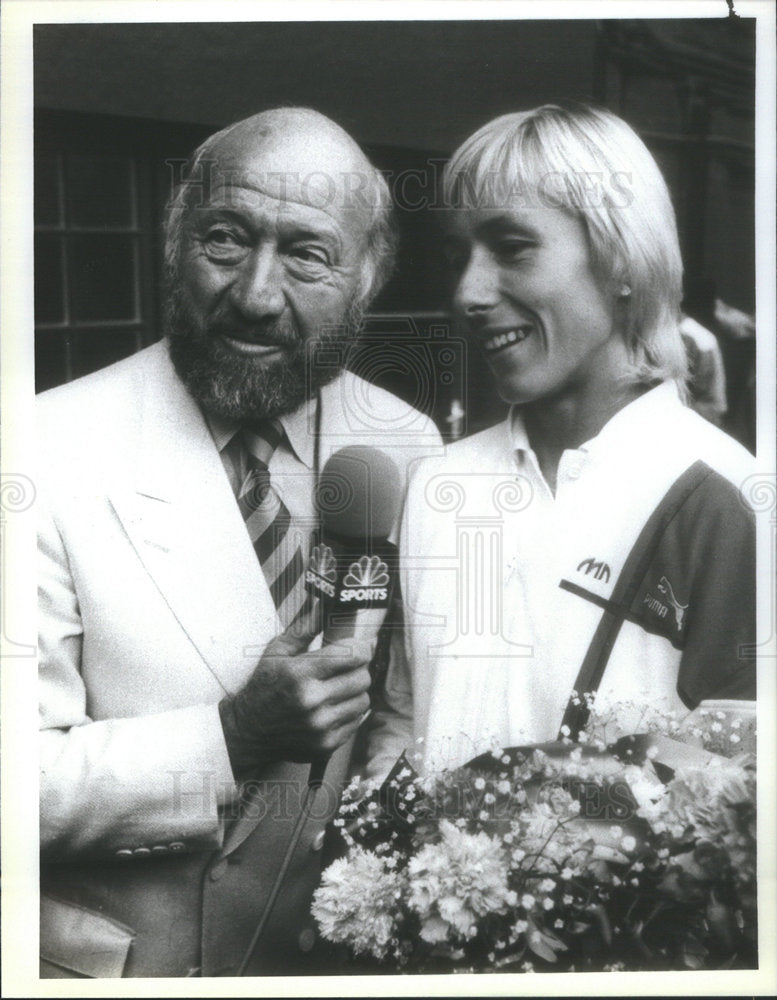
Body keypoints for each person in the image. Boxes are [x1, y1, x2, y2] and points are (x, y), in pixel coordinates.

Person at [37, 107, 440, 977]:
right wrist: (230, 736)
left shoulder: (408, 446)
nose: (257, 296)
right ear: (173, 244)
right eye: (225, 240)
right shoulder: (38, 451)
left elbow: (407, 713)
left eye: (306, 254)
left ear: (367, 279)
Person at [363, 103, 756, 779]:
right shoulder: (435, 483)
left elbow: (738, 795)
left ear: (622, 260)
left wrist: (539, 841)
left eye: (511, 247)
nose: (468, 292)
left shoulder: (723, 495)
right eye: (458, 258)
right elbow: (405, 715)